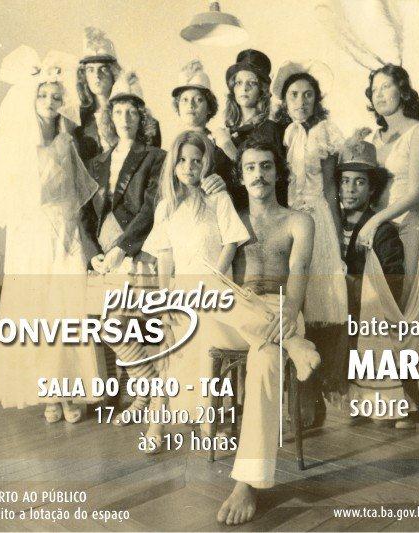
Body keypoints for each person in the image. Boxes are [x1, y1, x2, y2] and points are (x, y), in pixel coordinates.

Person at [173, 135, 319, 525]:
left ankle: (246, 483)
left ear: (278, 172)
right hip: (238, 312)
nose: (259, 175)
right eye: (250, 168)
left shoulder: (299, 220)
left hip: (281, 309)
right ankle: (294, 345)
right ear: (240, 176)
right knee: (205, 290)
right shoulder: (230, 216)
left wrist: (289, 315)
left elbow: (300, 271)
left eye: (266, 166)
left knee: (267, 358)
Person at [0, 45, 100, 422]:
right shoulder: (17, 143)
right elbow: (12, 195)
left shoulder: (66, 140)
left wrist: (71, 230)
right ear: (31, 100)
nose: (49, 101)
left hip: (63, 231)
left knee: (67, 310)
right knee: (39, 310)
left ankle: (69, 392)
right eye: (43, 95)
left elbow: (75, 192)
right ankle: (48, 393)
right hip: (31, 234)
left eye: (55, 96)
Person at [140, 130, 250, 453]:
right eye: (182, 161)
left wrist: (215, 279)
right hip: (182, 291)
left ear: (206, 164)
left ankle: (208, 425)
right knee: (171, 352)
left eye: (196, 161)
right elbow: (165, 258)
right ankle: (156, 426)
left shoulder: (218, 198)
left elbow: (231, 242)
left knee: (206, 351)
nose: (189, 167)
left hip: (215, 289)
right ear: (173, 165)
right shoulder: (166, 207)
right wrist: (164, 303)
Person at [350, 64, 419, 429]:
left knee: (401, 312)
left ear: (402, 90)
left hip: (406, 229)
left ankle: (411, 402)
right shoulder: (374, 137)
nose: (380, 94)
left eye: (387, 87)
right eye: (375, 89)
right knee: (373, 311)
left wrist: (375, 221)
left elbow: (416, 192)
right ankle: (377, 398)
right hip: (377, 232)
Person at [78, 71, 167, 425]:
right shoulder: (97, 163)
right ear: (110, 117)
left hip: (135, 253)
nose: (125, 118)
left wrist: (122, 248)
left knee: (123, 326)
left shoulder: (156, 157)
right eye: (118, 112)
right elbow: (84, 214)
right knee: (105, 326)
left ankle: (146, 394)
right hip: (103, 257)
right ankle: (144, 390)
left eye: (132, 112)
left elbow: (150, 207)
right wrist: (93, 253)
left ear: (142, 118)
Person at [272, 62, 348, 422]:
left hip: (318, 218)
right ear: (284, 101)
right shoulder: (287, 133)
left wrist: (338, 236)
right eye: (294, 95)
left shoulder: (325, 131)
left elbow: (331, 188)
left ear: (317, 99)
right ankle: (302, 396)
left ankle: (318, 392)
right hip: (290, 218)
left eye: (307, 95)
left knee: (320, 305)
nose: (301, 101)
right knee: (295, 302)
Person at [337, 131, 404, 322]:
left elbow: (393, 286)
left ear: (372, 188)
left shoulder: (383, 231)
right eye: (345, 181)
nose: (350, 189)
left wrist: (348, 282)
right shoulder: (332, 224)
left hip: (365, 322)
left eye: (360, 182)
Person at [212, 49, 287, 207]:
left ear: (262, 90)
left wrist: (228, 147)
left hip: (255, 210)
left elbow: (270, 180)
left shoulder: (270, 129)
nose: (244, 88)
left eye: (251, 83)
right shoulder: (227, 130)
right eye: (239, 83)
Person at [73, 27, 161, 162]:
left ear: (113, 72)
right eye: (90, 70)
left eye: (103, 69)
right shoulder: (79, 121)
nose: (97, 76)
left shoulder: (143, 120)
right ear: (84, 76)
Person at [171, 59, 238, 203]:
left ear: (209, 107)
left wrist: (224, 185)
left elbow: (237, 186)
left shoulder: (219, 144)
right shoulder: (174, 147)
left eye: (198, 100)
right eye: (184, 100)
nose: (191, 105)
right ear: (178, 107)